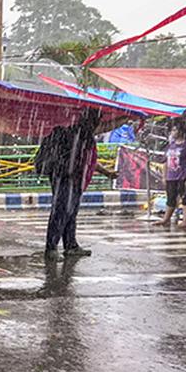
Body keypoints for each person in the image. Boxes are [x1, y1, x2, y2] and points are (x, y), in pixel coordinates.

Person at [37, 108, 117, 259]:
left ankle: (71, 245)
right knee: (62, 210)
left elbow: (87, 159)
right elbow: (84, 155)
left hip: (70, 176)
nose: (99, 124)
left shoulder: (79, 132)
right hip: (66, 176)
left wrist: (106, 172)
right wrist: (128, 118)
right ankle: (51, 248)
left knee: (70, 211)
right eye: (98, 120)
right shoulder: (79, 132)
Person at [158, 116, 186, 228]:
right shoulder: (170, 145)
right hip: (171, 176)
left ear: (180, 131)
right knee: (171, 198)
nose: (172, 132)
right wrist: (164, 176)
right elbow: (165, 161)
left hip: (183, 176)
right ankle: (166, 219)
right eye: (172, 130)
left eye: (175, 130)